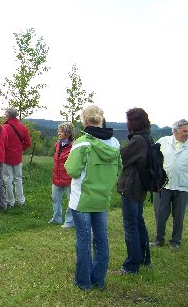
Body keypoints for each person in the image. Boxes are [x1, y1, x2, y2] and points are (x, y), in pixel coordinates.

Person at [64, 105, 122, 290]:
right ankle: (98, 279)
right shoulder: (114, 144)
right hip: (102, 199)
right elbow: (119, 169)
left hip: (82, 199)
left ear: (85, 120)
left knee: (83, 239)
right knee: (101, 239)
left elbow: (72, 170)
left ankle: (83, 282)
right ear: (101, 119)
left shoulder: (82, 143)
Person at [116, 108, 152, 274]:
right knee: (139, 223)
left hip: (131, 187)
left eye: (128, 120)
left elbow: (121, 158)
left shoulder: (137, 141)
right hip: (140, 188)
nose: (126, 123)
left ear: (133, 122)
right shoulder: (147, 137)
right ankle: (145, 258)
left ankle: (131, 266)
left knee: (131, 227)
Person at [151, 119, 188, 250]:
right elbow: (154, 159)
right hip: (163, 185)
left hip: (182, 186)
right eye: (185, 131)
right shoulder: (163, 142)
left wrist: (182, 174)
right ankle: (159, 240)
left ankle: (175, 241)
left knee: (179, 215)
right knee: (160, 213)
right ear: (175, 131)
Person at [2, 107, 32, 207]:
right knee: (18, 179)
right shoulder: (23, 127)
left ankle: (10, 201)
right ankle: (21, 200)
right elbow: (28, 143)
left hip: (6, 157)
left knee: (8, 179)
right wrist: (20, 148)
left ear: (8, 115)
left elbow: (1, 143)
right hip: (18, 157)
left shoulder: (4, 128)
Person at [48, 121, 75, 228]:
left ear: (68, 133)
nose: (59, 133)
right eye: (59, 131)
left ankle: (69, 221)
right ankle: (56, 219)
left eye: (61, 131)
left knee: (71, 201)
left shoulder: (74, 146)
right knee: (55, 199)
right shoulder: (57, 144)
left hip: (69, 179)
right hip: (57, 177)